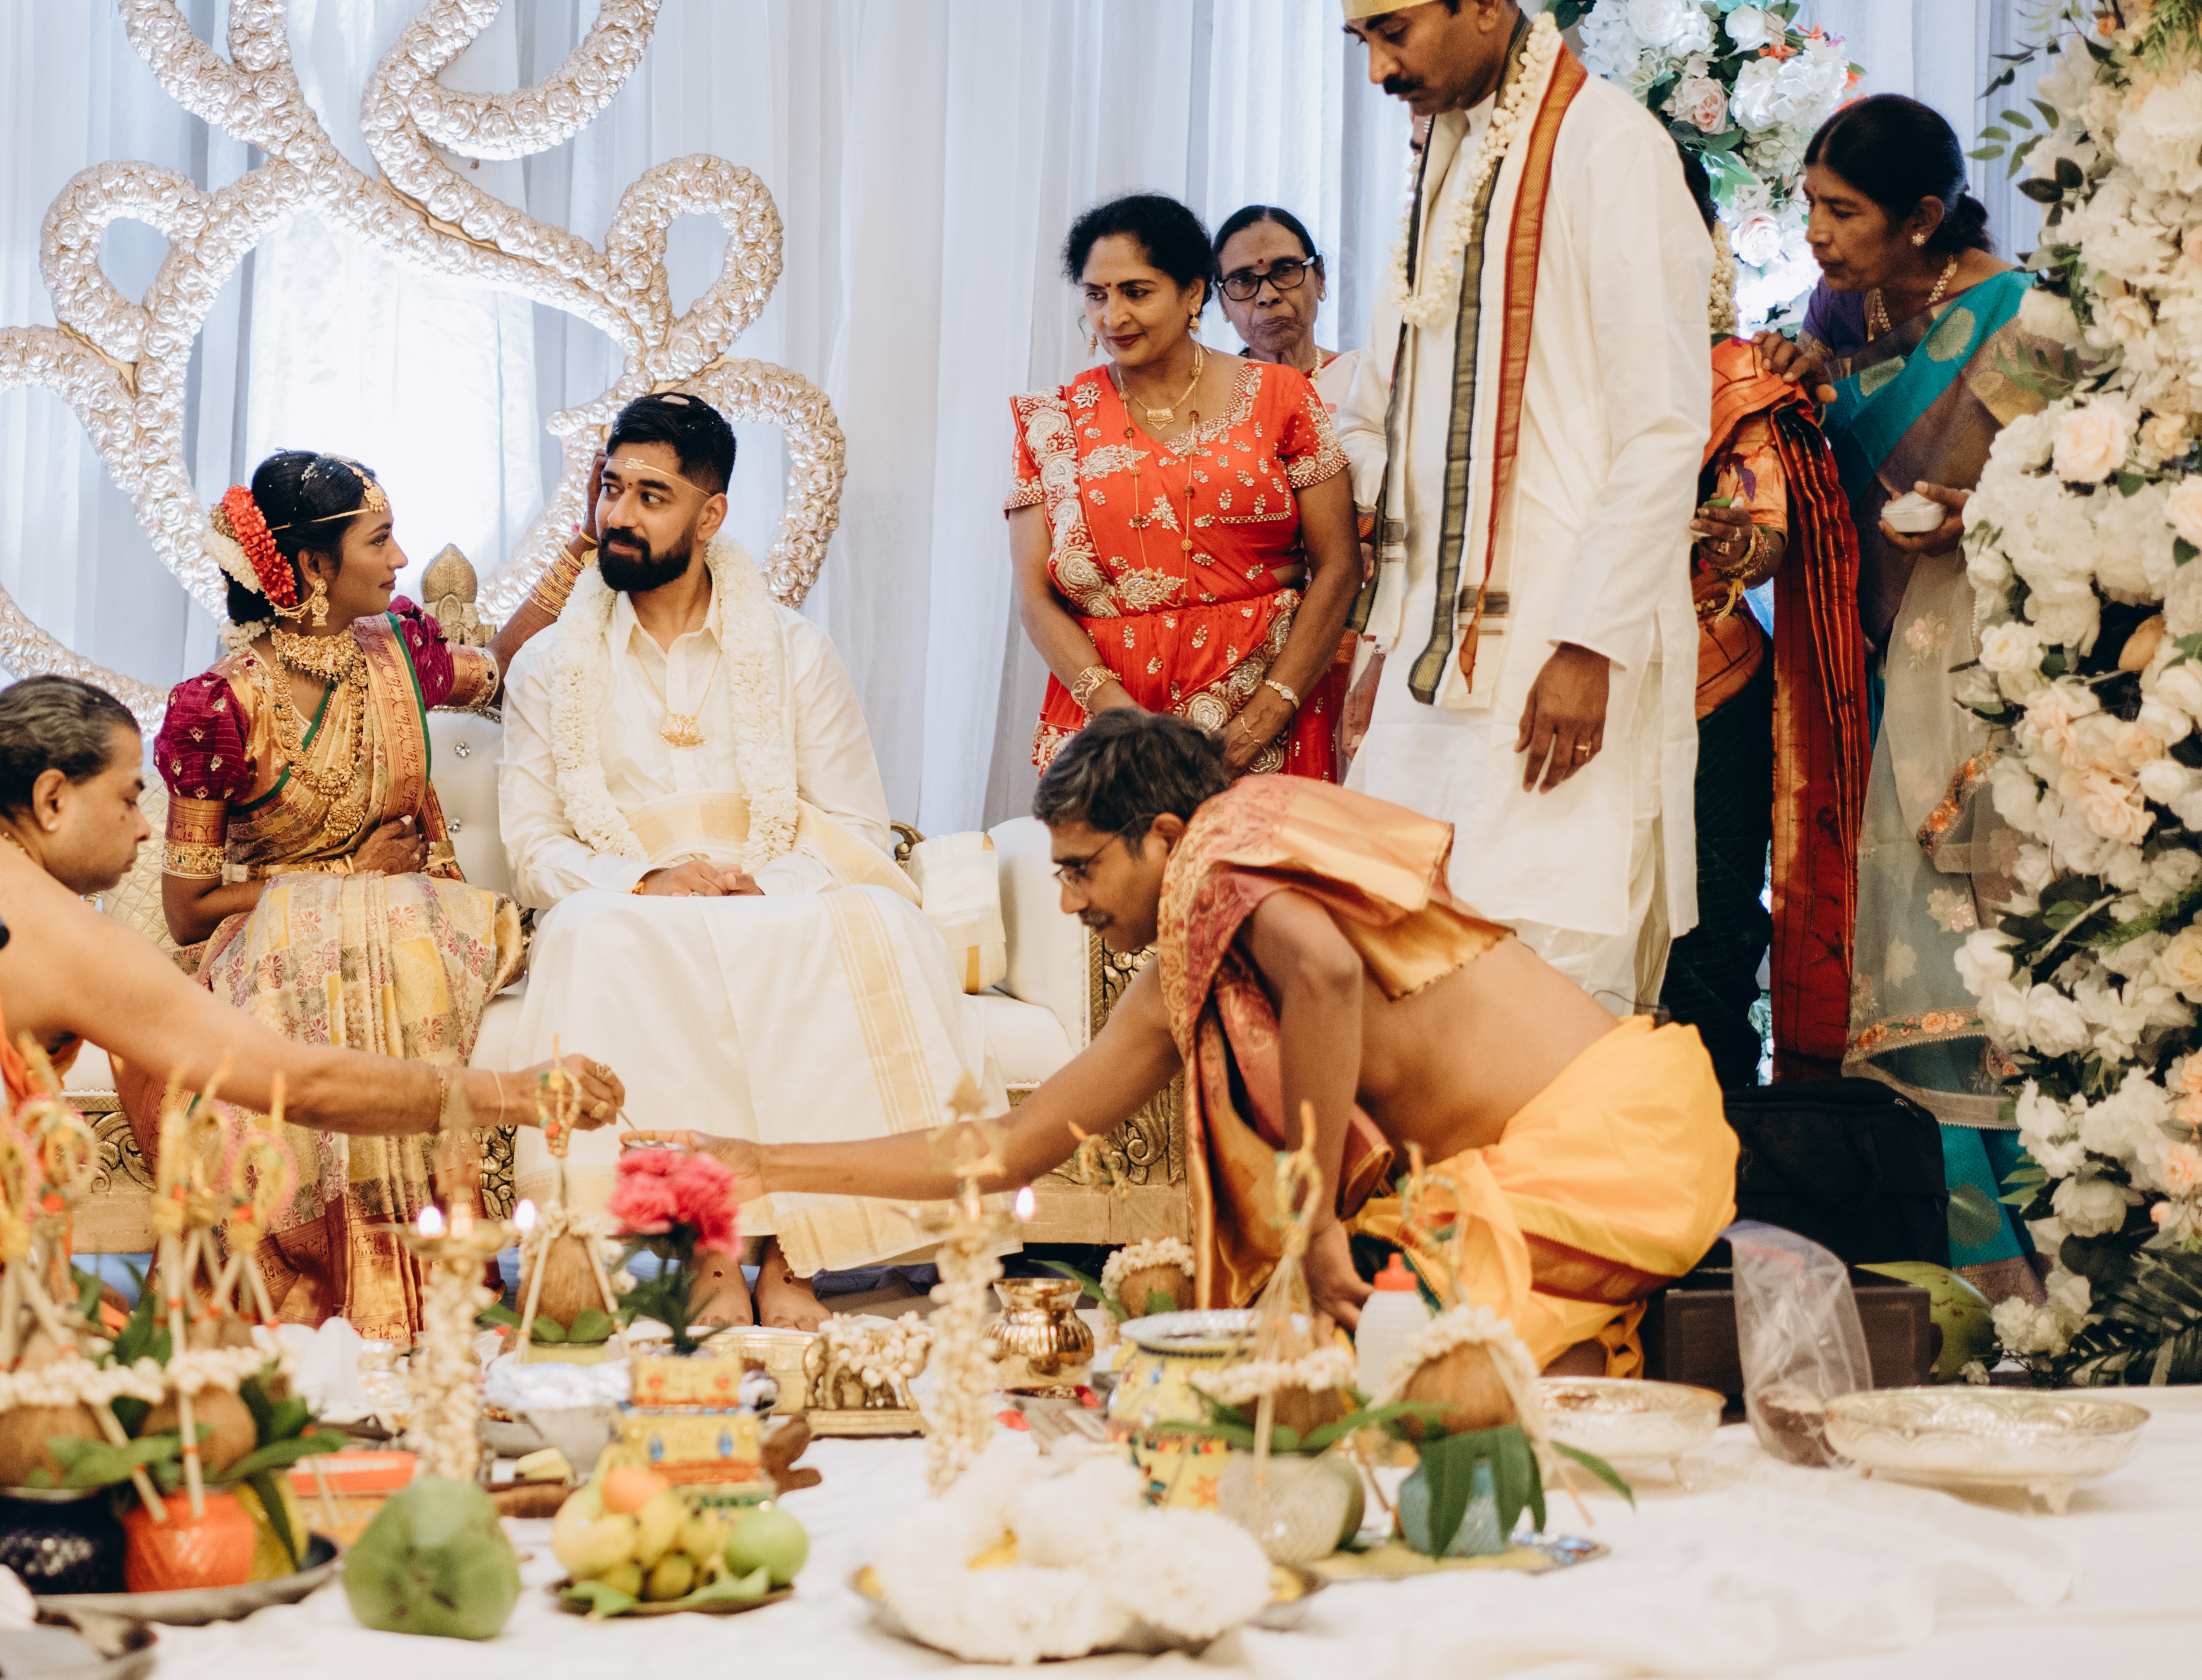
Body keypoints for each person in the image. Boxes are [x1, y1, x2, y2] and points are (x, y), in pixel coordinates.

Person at [658, 709, 1738, 1374]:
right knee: (1298, 1370)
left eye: (1083, 868)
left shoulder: (1223, 852)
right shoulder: (1194, 944)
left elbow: (1325, 974)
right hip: (1548, 1160)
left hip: (1607, 1147)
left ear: (1164, 839)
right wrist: (768, 1164)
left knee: (1338, 1380)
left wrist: (1313, 1222)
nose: (1070, 902)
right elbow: (1012, 1147)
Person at [0, 676, 626, 1364]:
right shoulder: (45, 926)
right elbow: (305, 1083)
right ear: (51, 798)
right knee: (129, 1374)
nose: (148, 825)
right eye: (127, 797)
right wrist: (513, 1093)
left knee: (117, 1323)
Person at [501, 391, 993, 1331]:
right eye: (611, 487)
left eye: (650, 495)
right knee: (596, 934)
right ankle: (709, 1246)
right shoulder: (548, 664)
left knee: (878, 921)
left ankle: (799, 1255)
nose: (618, 513)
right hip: (633, 899)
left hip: (776, 884)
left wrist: (762, 885)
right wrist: (647, 881)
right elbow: (534, 847)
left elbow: (854, 822)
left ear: (710, 514)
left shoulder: (796, 650)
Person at [1321, 0, 1713, 1013]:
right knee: (1406, 963)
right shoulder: (1445, 157)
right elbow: (1399, 423)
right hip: (1427, 661)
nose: (1378, 69)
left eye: (1394, 33)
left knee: (1552, 969)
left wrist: (1589, 643)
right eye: (1363, 38)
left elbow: (1661, 428)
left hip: (1560, 641)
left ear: (1484, 5)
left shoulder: (1609, 150)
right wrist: (1381, 640)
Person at [1762, 95, 2048, 1300]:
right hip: (1869, 660)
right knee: (1902, 938)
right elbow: (1813, 446)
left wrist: (1972, 514)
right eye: (1810, 207)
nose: (1818, 235)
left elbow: (2074, 494)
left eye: (1843, 211)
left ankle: (2047, 1263)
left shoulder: (2019, 316)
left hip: (1984, 663)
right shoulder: (1844, 310)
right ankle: (1957, 1265)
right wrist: (1792, 380)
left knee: (1990, 947)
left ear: (1923, 217)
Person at [153, 452, 531, 1337]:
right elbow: (186, 908)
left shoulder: (400, 652)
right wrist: (338, 882)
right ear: (314, 566)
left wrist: (582, 543)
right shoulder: (218, 707)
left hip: (415, 916)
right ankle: (328, 1279)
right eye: (379, 539)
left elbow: (503, 667)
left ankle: (425, 1273)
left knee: (392, 925)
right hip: (269, 937)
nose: (400, 559)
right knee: (327, 928)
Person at [1009, 194, 1360, 778]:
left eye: (1136, 292)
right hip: (1109, 731)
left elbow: (1339, 566)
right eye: (1096, 294)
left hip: (1268, 718)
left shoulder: (1280, 396)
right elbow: (1035, 600)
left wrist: (1263, 718)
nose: (1112, 316)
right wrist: (1125, 722)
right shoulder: (1052, 421)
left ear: (1192, 292)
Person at [1662, 158, 1865, 1089]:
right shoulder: (1546, 373)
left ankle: (1719, 1150)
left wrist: (1732, 541)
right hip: (1569, 697)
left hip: (1710, 691)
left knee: (1705, 947)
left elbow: (1763, 535)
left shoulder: (1738, 374)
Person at [1212, 203, 1362, 416]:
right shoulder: (1208, 397)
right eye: (1243, 280)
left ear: (1320, 277)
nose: (1267, 296)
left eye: (1285, 270)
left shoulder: (1363, 380)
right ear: (1222, 302)